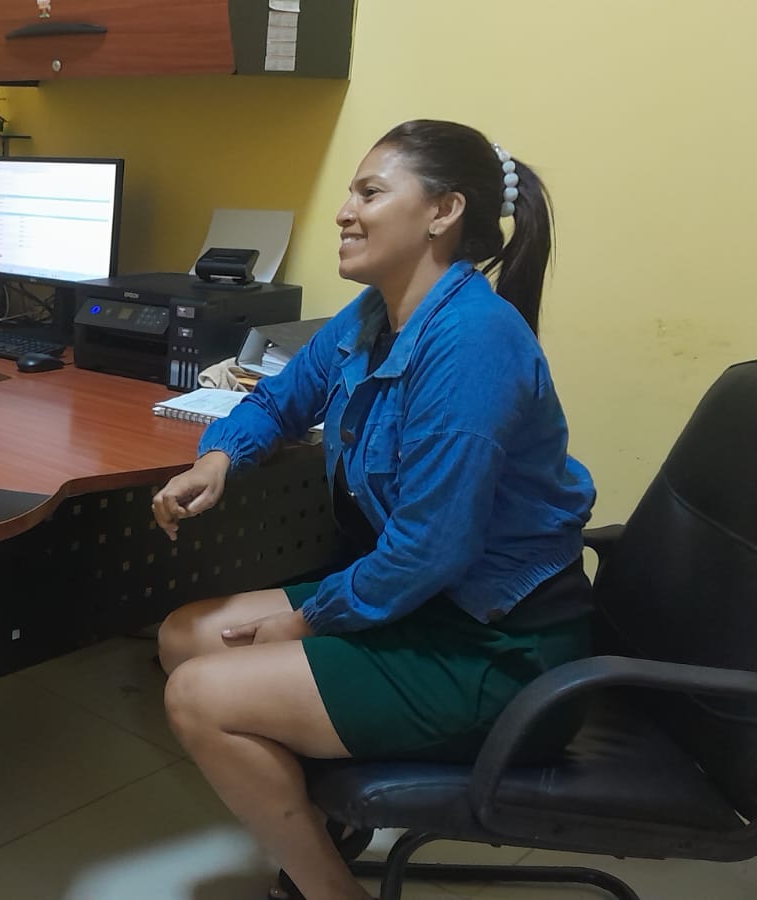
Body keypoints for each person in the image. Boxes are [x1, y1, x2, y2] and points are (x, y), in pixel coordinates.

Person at [150, 120, 596, 900]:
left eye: (370, 192)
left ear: (443, 212)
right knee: (183, 637)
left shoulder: (473, 340)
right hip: (423, 604)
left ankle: (329, 889)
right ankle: (324, 823)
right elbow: (280, 402)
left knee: (200, 695)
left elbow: (432, 548)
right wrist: (219, 457)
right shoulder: (371, 317)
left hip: (499, 648)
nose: (344, 212)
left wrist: (306, 622)